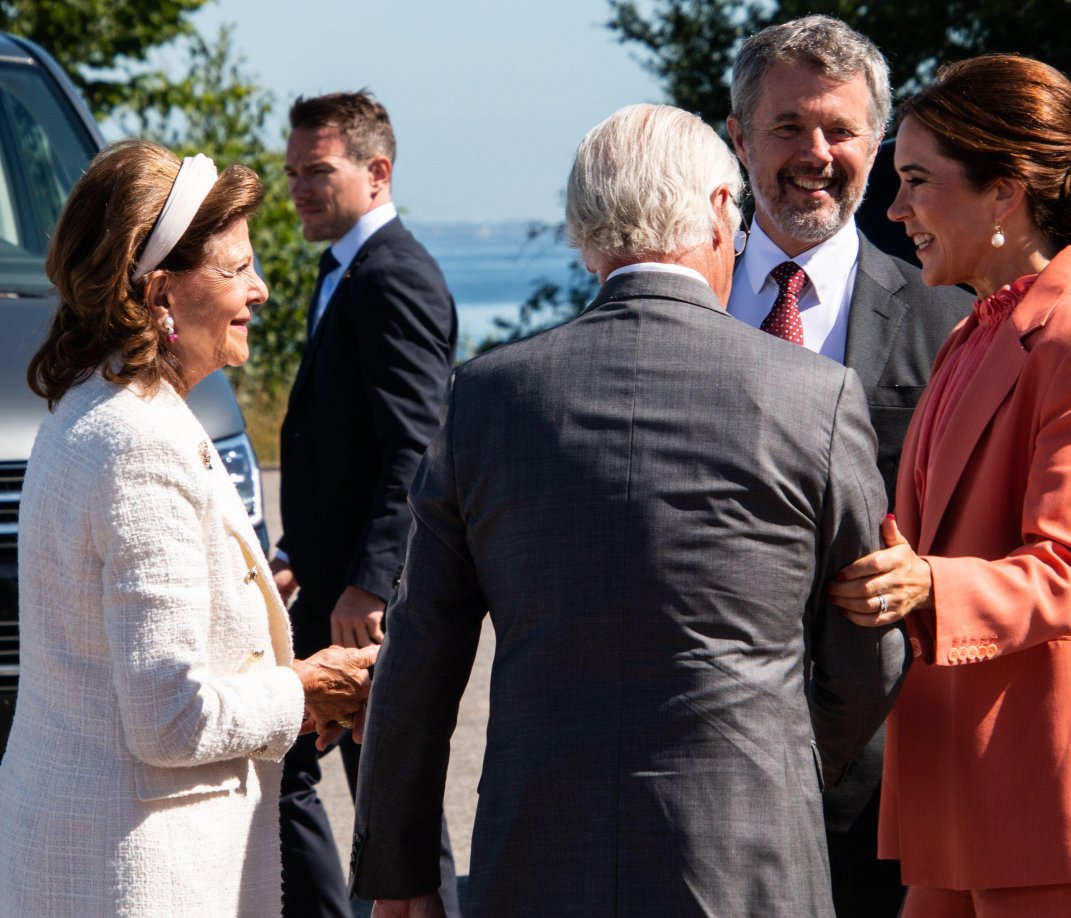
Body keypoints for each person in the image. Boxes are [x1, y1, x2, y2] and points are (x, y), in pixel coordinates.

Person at [349, 103, 909, 918]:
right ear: (723, 211)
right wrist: (780, 766)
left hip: (537, 851)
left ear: (584, 233)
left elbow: (420, 652)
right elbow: (869, 648)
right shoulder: (813, 395)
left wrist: (398, 874)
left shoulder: (488, 399)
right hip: (747, 857)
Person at [828, 56, 1071, 916]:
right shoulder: (970, 338)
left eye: (916, 181)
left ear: (1004, 193)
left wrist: (925, 583)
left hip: (1059, 805)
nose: (896, 209)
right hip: (964, 799)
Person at [0, 140, 378, 917]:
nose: (262, 290)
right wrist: (305, 687)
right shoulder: (139, 442)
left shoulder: (103, 408)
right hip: (142, 877)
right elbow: (169, 716)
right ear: (159, 292)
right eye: (237, 269)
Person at [724, 17, 971, 914]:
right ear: (738, 137)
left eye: (842, 130)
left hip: (886, 776)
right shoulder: (680, 304)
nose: (816, 154)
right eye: (789, 127)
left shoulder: (949, 321)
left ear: (879, 142)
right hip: (702, 768)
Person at [272, 91, 459, 917]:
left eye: (318, 172)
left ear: (377, 172)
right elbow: (336, 448)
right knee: (296, 770)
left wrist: (372, 585)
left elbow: (417, 446)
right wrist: (290, 553)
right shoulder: (343, 267)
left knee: (392, 806)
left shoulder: (395, 276)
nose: (299, 190)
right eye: (293, 173)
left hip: (364, 598)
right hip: (328, 580)